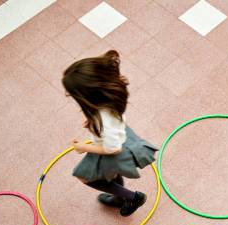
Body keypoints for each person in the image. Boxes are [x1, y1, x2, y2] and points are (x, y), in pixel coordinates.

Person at [62, 50, 157, 216]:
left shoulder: (104, 118)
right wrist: (93, 123)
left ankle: (133, 197)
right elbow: (110, 125)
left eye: (74, 95)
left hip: (116, 149)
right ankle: (120, 197)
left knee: (84, 177)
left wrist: (84, 147)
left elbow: (113, 149)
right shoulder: (106, 100)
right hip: (118, 136)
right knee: (110, 174)